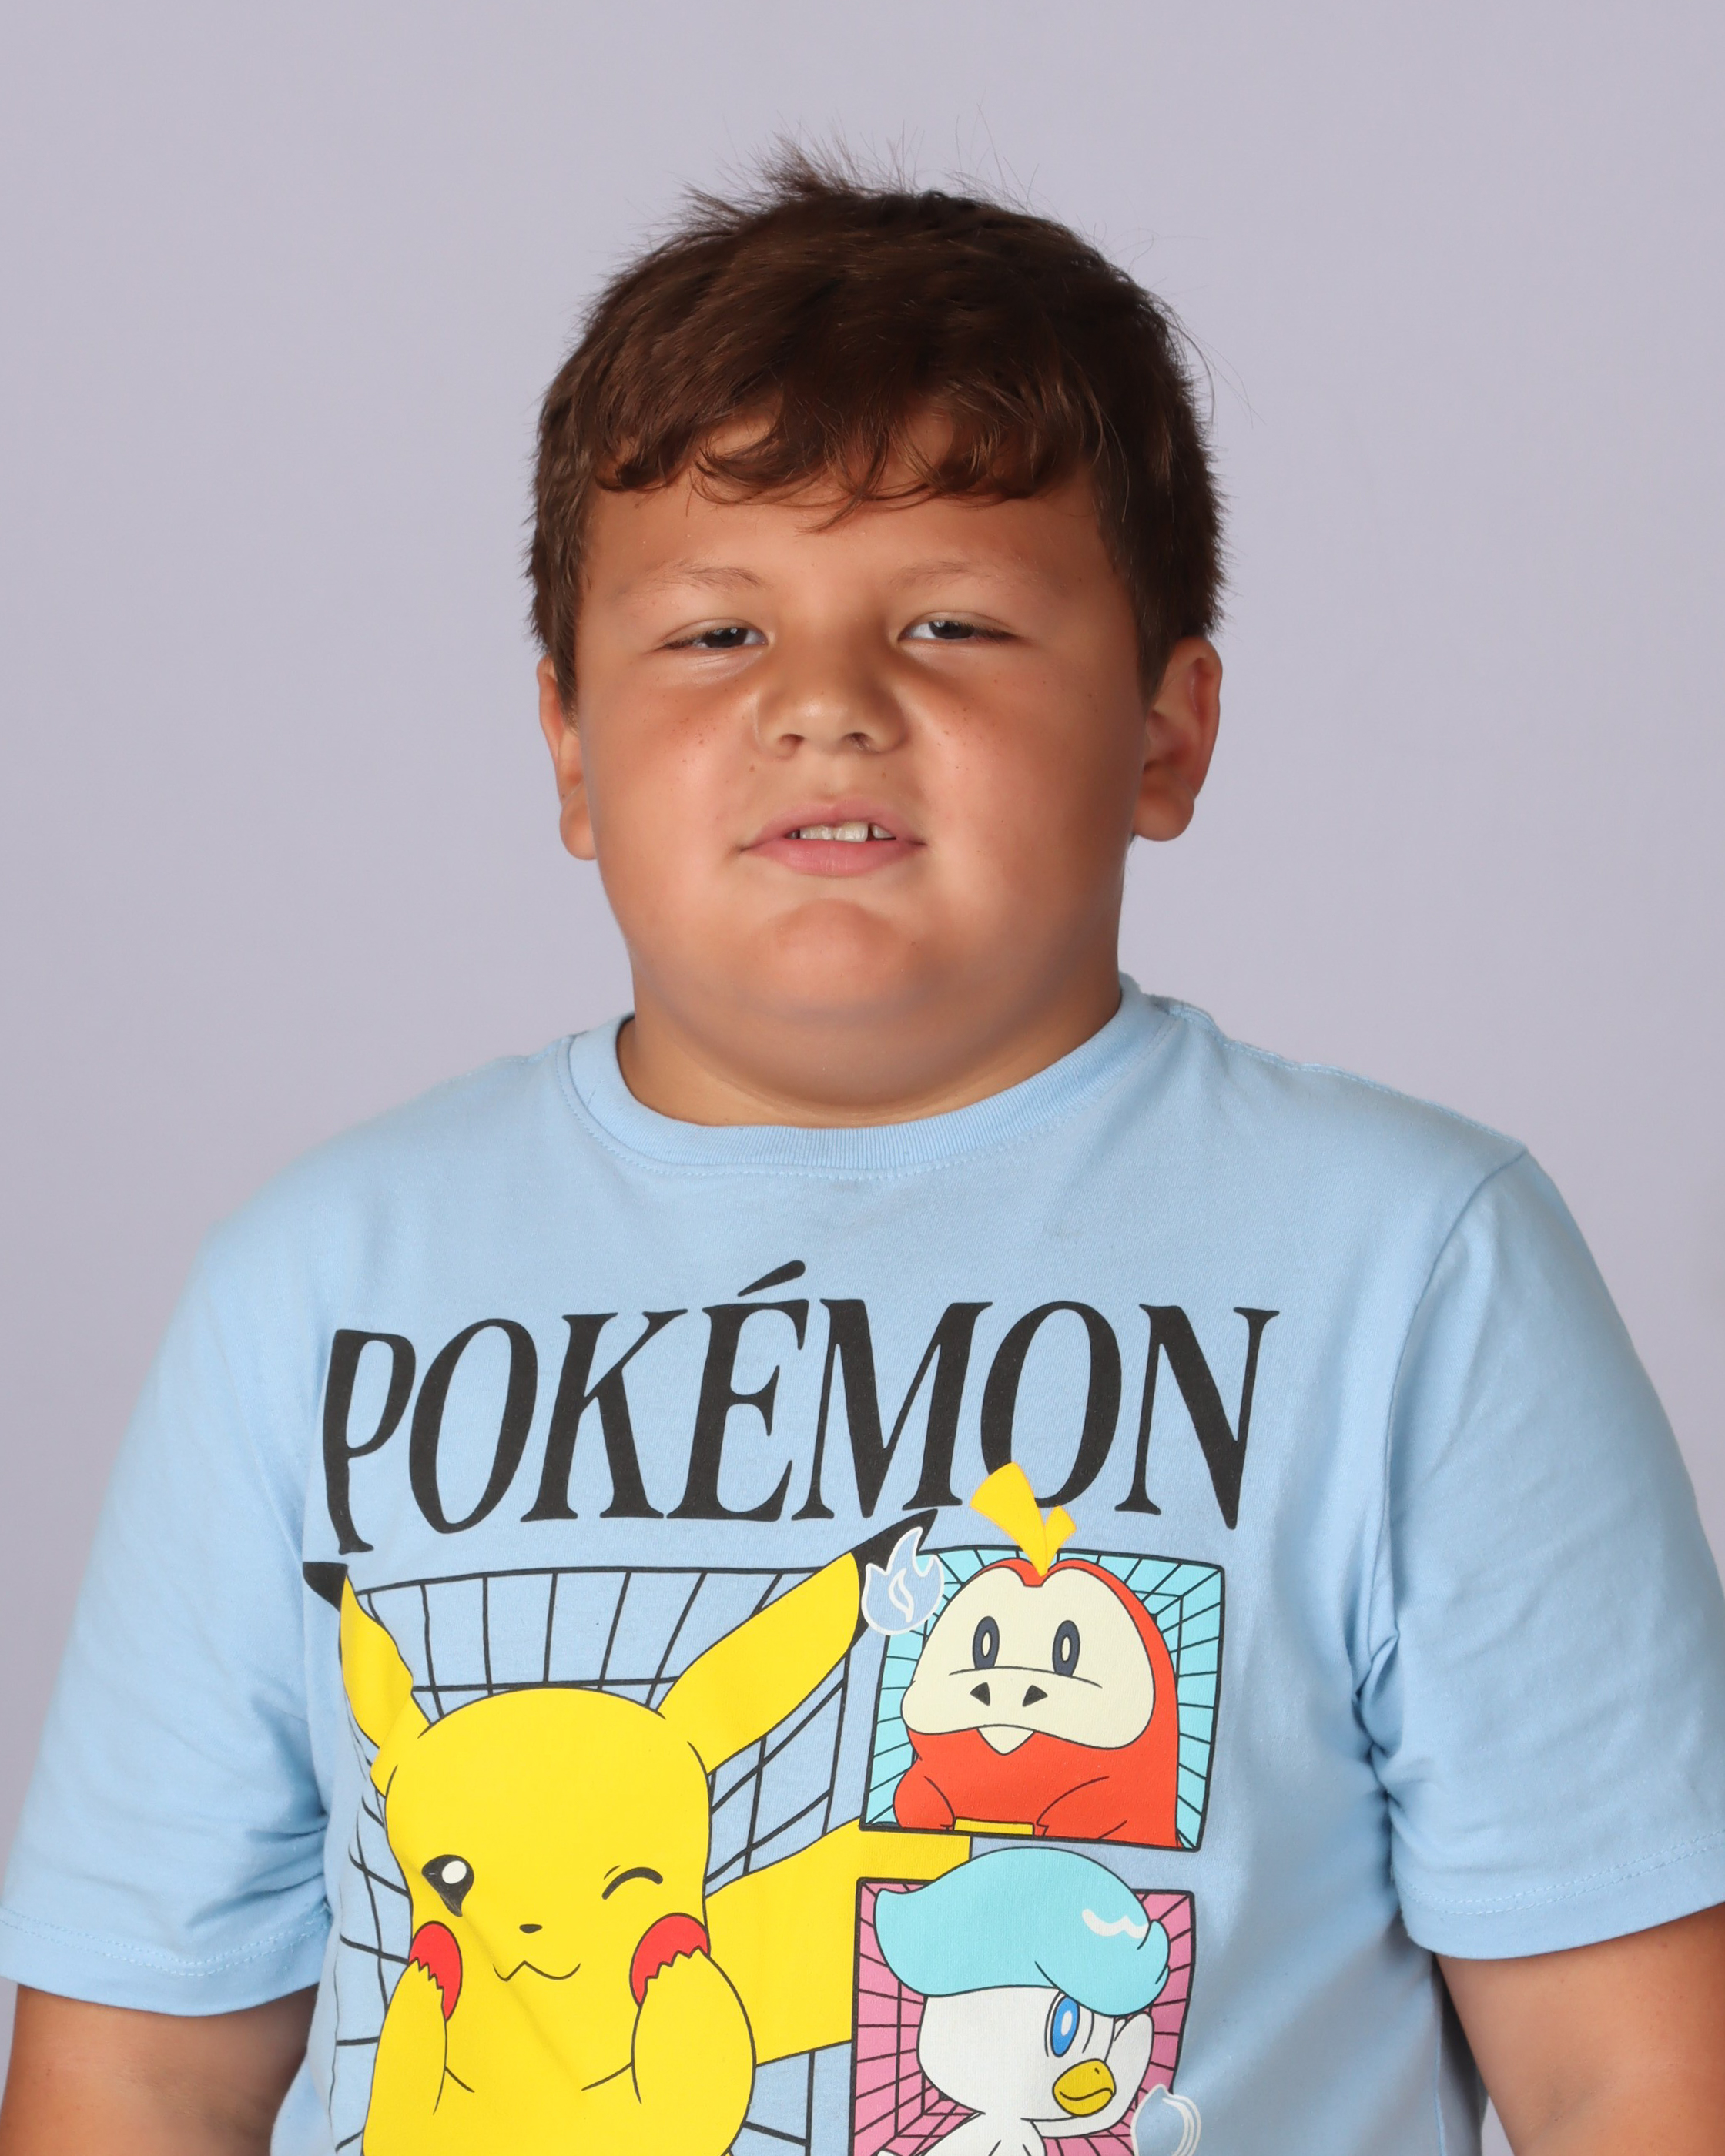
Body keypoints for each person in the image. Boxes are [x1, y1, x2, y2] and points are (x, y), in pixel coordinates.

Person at [2, 156, 1723, 2156]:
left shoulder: (1415, 1266)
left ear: (1166, 735)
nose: (825, 705)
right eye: (716, 632)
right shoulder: (314, 1288)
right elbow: (137, 2068)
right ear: (568, 746)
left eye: (955, 622)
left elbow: (1634, 2068)